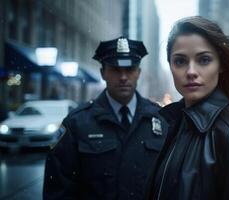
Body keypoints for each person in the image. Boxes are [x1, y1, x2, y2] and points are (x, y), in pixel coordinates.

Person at [145, 16, 229, 200]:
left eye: (204, 60)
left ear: (220, 65)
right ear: (170, 65)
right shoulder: (176, 123)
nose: (191, 72)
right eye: (180, 61)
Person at [43, 37, 167, 200]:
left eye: (130, 69)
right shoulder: (77, 123)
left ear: (138, 72)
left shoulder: (160, 119)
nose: (123, 77)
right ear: (103, 73)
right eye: (115, 69)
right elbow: (58, 189)